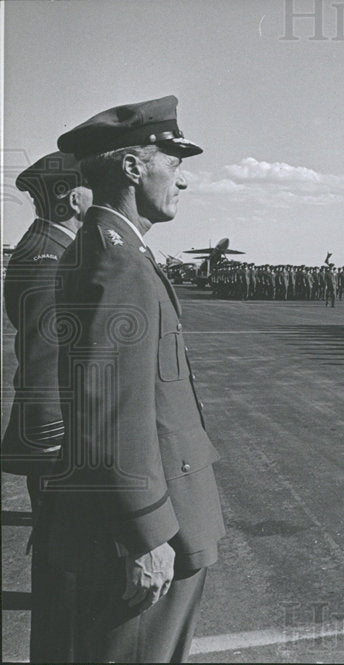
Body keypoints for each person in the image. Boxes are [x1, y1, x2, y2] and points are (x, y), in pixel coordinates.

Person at [47, 95, 225, 662]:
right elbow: (111, 413)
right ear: (132, 167)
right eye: (173, 163)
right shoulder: (119, 263)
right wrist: (146, 535)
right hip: (151, 529)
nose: (183, 180)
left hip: (142, 518)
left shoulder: (106, 249)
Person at [2, 151, 92, 663]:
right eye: (93, 187)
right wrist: (57, 452)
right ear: (72, 197)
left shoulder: (47, 248)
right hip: (59, 448)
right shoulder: (49, 260)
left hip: (57, 443)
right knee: (66, 580)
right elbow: (42, 368)